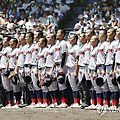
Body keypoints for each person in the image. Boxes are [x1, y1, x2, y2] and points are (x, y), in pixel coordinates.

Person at [54, 29, 68, 108]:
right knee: (59, 84)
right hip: (57, 64)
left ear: (62, 34)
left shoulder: (63, 43)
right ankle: (61, 101)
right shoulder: (57, 43)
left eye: (58, 33)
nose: (57, 34)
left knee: (62, 83)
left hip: (61, 64)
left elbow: (64, 55)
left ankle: (64, 102)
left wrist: (62, 67)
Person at [66, 33, 80, 108]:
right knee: (72, 86)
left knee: (75, 86)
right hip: (69, 68)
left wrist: (76, 71)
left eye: (71, 38)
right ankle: (75, 102)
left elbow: (77, 60)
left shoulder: (76, 48)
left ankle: (77, 102)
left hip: (74, 68)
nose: (69, 39)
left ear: (75, 39)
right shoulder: (70, 48)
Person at [36, 37, 49, 108]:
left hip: (44, 69)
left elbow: (47, 60)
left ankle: (46, 102)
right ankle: (43, 102)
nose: (38, 42)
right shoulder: (40, 50)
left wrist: (45, 70)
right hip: (40, 68)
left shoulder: (46, 50)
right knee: (41, 86)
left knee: (45, 86)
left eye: (40, 41)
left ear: (44, 43)